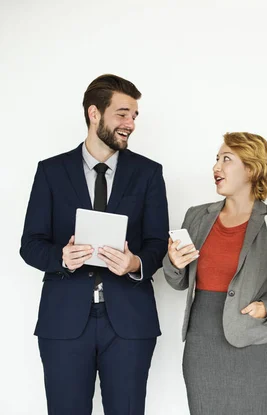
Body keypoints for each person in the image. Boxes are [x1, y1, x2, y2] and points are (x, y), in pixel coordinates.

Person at [20, 74, 169, 414]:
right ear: (94, 113)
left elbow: (157, 242)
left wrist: (136, 264)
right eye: (122, 113)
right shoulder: (51, 172)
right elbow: (30, 244)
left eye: (134, 115)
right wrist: (61, 257)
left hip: (130, 322)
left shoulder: (148, 173)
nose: (130, 123)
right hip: (64, 322)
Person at [163, 132, 267, 415]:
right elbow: (177, 281)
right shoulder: (197, 216)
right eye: (217, 159)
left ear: (251, 168)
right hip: (202, 344)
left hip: (257, 346)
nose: (216, 167)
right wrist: (173, 263)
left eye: (226, 159)